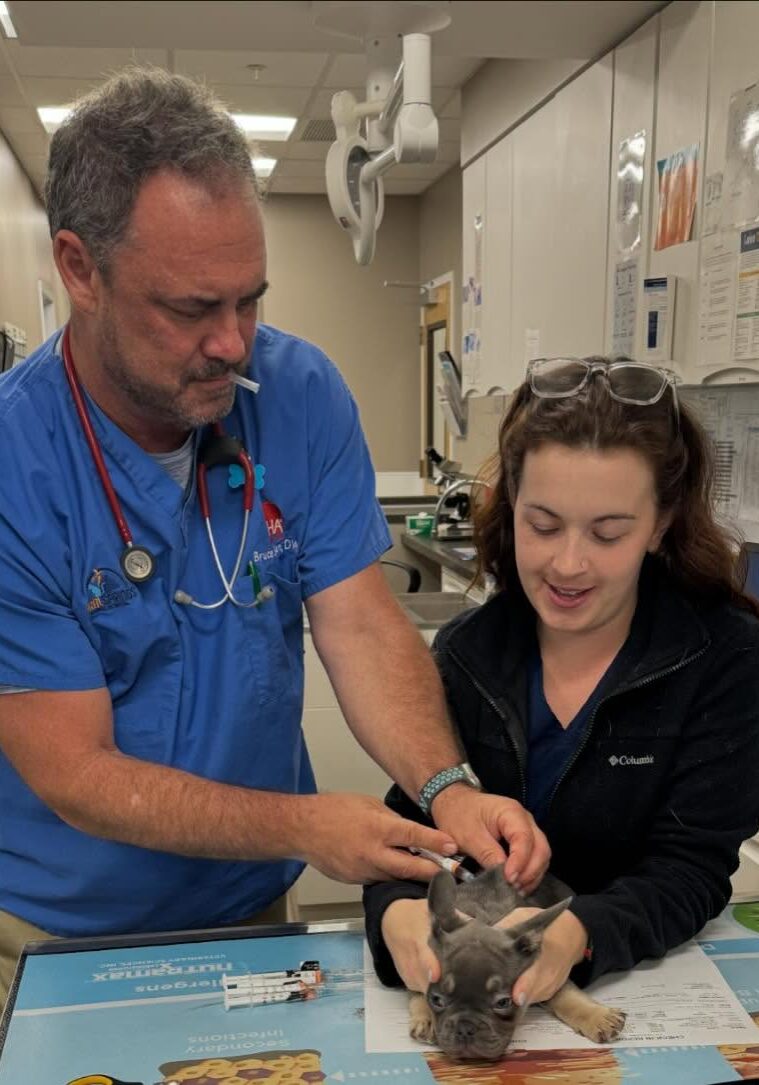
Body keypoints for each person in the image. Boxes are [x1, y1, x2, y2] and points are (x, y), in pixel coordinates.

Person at [0, 68, 549, 998]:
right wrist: (303, 822)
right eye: (190, 308)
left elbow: (360, 622)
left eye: (249, 298)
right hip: (54, 932)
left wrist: (446, 785)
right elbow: (77, 771)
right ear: (79, 268)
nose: (233, 342)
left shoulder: (298, 395)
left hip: (250, 910)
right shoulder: (17, 462)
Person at [365, 356, 759, 1012]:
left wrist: (576, 934)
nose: (568, 563)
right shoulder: (470, 653)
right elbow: (411, 824)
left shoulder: (723, 658)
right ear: (510, 506)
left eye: (608, 533)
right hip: (477, 990)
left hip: (643, 986)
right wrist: (396, 914)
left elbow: (690, 869)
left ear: (659, 523)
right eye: (542, 525)